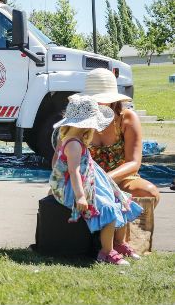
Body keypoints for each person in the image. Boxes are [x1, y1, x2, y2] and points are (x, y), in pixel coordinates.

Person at [50, 94, 143, 265]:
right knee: (108, 208)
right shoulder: (73, 144)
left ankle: (119, 243)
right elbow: (74, 171)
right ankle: (106, 252)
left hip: (89, 180)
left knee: (121, 200)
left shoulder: (77, 140)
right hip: (73, 187)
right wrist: (80, 196)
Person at [83, 68, 161, 206]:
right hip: (86, 181)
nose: (99, 103)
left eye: (103, 98)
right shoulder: (78, 120)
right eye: (96, 98)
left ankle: (128, 226)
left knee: (150, 192)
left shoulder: (127, 118)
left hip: (122, 179)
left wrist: (104, 180)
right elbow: (61, 157)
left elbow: (133, 163)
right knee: (54, 197)